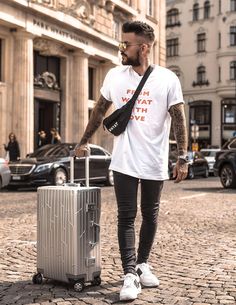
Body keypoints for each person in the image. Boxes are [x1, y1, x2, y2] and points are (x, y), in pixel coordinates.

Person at [75, 21, 188, 301]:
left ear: (144, 47)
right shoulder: (115, 75)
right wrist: (84, 140)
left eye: (126, 44)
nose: (121, 49)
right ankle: (129, 274)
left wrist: (183, 157)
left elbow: (178, 119)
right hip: (124, 161)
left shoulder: (167, 79)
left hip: (154, 161)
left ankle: (142, 263)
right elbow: (99, 111)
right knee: (126, 217)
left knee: (150, 216)